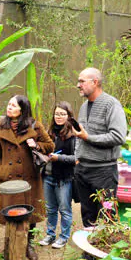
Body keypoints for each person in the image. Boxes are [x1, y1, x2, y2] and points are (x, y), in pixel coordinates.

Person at [0, 95, 54, 260]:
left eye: (13, 105)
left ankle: (28, 244)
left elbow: (50, 146)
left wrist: (37, 145)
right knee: (10, 212)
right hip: (9, 179)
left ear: (22, 109)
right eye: (9, 104)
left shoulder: (35, 126)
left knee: (29, 211)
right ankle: (10, 243)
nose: (9, 107)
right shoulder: (0, 126)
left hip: (29, 178)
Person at [72, 67, 127, 227]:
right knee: (88, 216)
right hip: (83, 170)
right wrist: (77, 158)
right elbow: (79, 136)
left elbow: (118, 136)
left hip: (103, 172)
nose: (78, 85)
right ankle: (89, 252)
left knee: (107, 217)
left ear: (95, 82)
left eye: (82, 81)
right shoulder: (83, 107)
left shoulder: (111, 104)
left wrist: (88, 137)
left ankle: (105, 251)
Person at [39, 102, 76, 249]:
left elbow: (76, 158)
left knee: (65, 209)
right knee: (50, 208)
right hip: (48, 176)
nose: (59, 117)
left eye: (62, 114)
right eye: (56, 114)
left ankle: (64, 237)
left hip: (64, 178)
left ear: (69, 116)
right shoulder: (49, 133)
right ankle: (50, 234)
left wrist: (58, 158)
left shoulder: (73, 135)